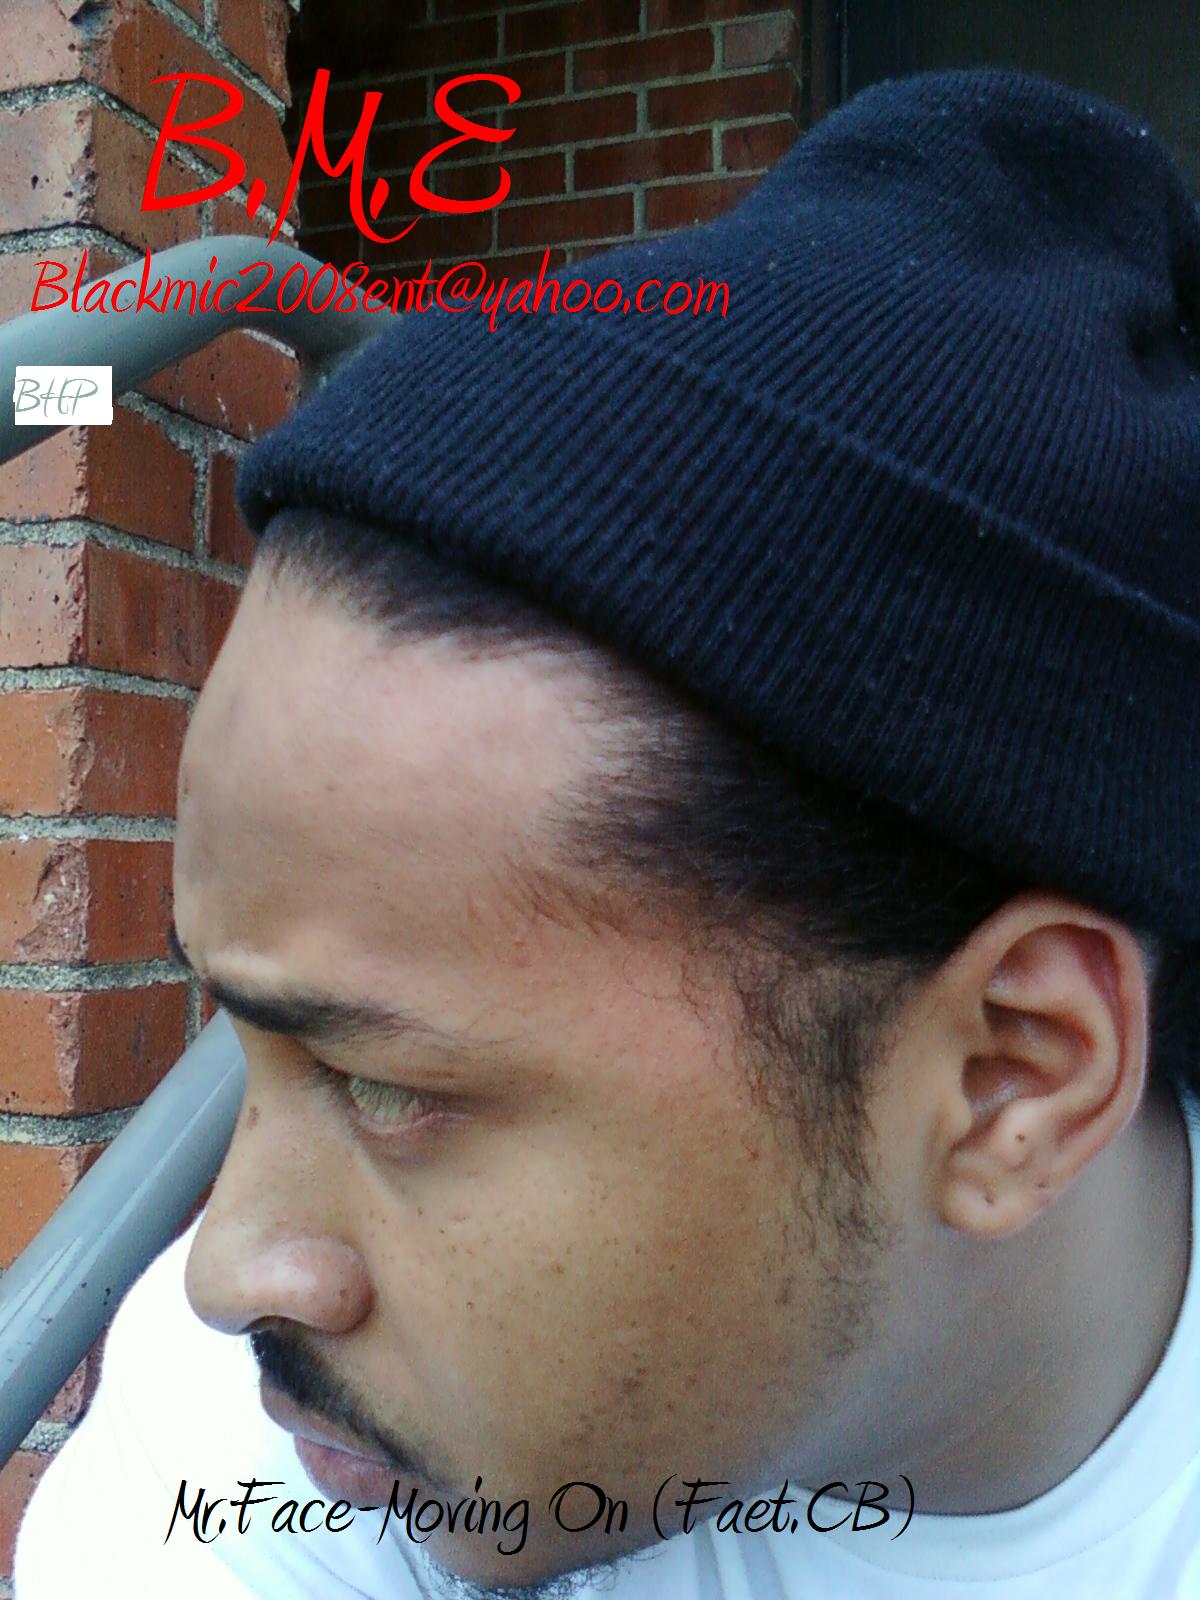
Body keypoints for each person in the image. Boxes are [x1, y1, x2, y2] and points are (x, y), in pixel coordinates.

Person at [14, 64, 1200, 1600]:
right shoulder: (265, 1463)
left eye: (385, 1089)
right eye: (247, 1044)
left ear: (1011, 1074)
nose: (225, 1270)